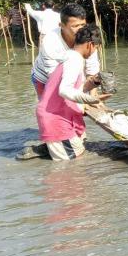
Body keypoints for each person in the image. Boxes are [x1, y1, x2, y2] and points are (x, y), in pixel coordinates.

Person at [35, 24, 109, 161]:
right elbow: (64, 90)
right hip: (57, 120)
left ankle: (45, 150)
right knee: (73, 168)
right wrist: (91, 100)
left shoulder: (70, 56)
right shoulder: (74, 59)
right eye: (96, 48)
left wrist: (93, 83)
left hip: (58, 116)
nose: (94, 52)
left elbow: (73, 88)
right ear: (90, 45)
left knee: (78, 155)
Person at [31, 3, 100, 100]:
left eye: (83, 25)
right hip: (44, 79)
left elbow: (92, 69)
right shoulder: (50, 41)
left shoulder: (88, 37)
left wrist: (93, 98)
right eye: (75, 26)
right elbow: (54, 77)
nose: (80, 29)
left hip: (71, 80)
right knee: (50, 109)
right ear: (61, 25)